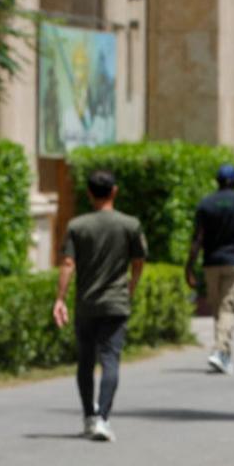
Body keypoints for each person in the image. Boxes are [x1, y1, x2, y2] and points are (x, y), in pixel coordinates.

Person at [51, 170, 146, 443]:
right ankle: (103, 417)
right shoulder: (130, 225)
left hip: (86, 305)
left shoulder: (77, 226)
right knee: (110, 361)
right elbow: (138, 262)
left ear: (90, 194)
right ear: (114, 191)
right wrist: (132, 286)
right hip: (116, 304)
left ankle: (88, 417)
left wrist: (60, 299)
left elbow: (68, 264)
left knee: (85, 362)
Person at [184, 163, 234, 375]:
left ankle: (224, 355)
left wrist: (189, 267)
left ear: (218, 181)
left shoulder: (206, 204)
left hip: (211, 263)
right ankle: (220, 351)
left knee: (218, 309)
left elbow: (197, 239)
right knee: (228, 308)